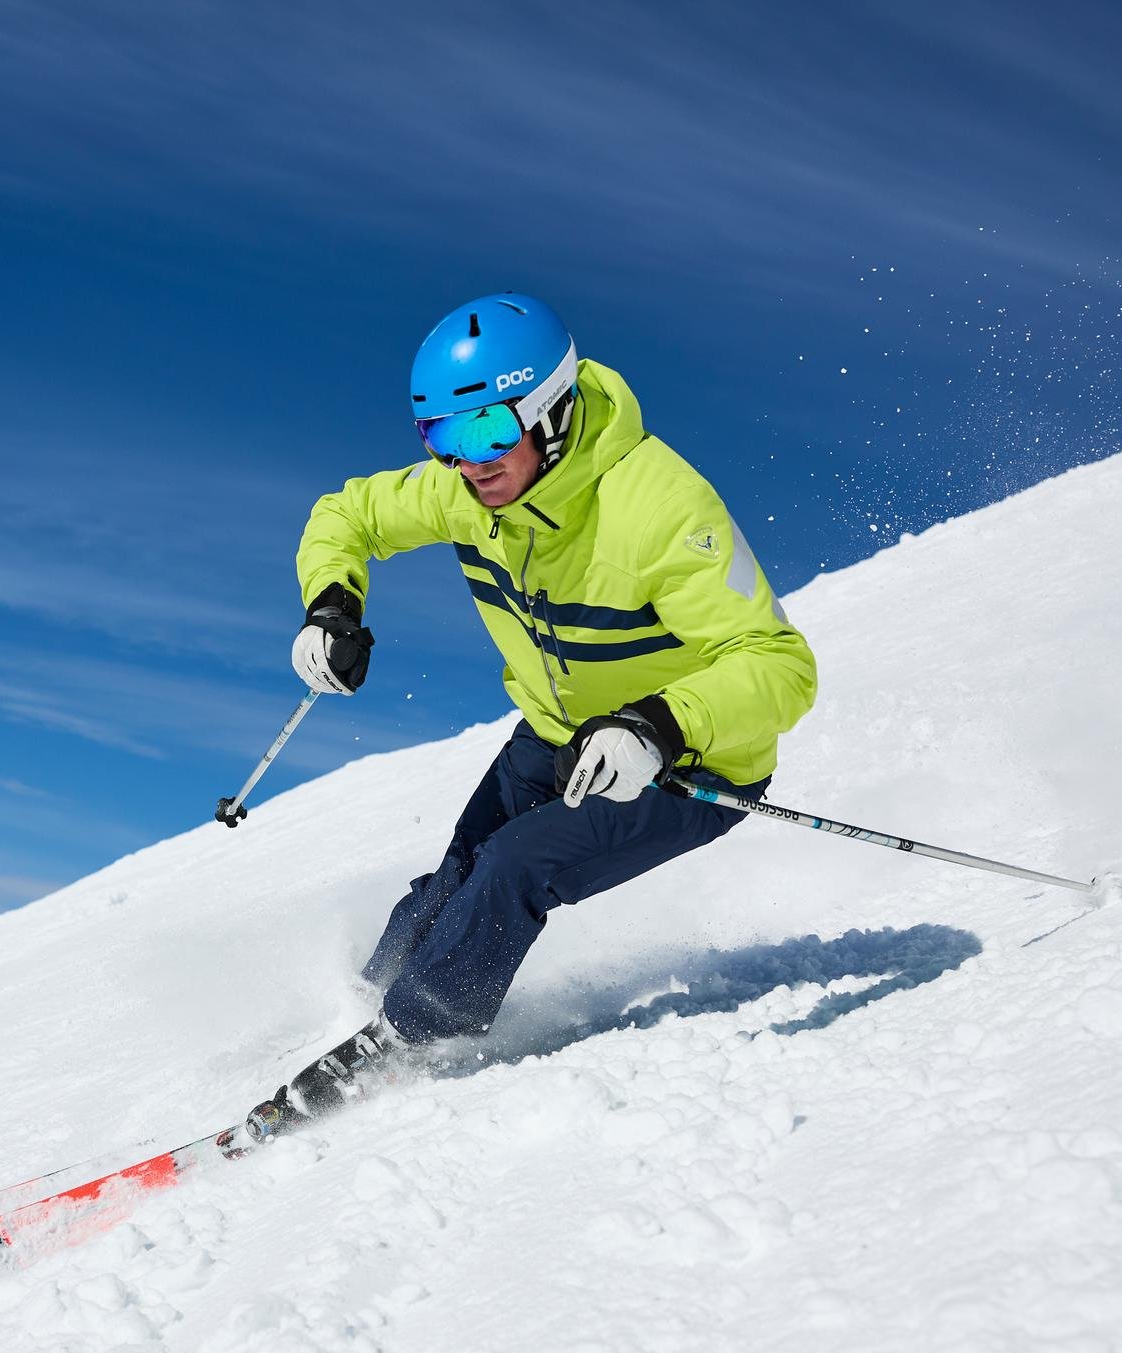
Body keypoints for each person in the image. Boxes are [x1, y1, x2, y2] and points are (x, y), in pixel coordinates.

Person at [250, 292, 817, 1138]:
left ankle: (406, 1044)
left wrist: (660, 726)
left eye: (484, 433)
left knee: (514, 866)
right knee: (455, 876)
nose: (466, 462)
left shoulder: (661, 509)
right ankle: (366, 1004)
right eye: (440, 437)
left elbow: (781, 666)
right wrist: (332, 605)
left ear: (550, 413)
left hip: (692, 760)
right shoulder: (463, 494)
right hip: (556, 732)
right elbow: (347, 515)